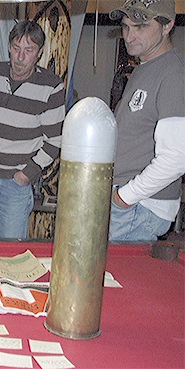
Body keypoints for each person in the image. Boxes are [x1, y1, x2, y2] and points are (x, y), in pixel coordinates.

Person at [0, 20, 65, 239]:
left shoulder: (51, 86)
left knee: (11, 251)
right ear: (9, 46)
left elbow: (55, 140)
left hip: (15, 184)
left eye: (28, 50)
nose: (20, 57)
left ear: (39, 53)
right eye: (16, 48)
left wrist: (27, 174)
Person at [108, 0, 185, 241]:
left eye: (140, 27)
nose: (129, 36)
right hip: (132, 203)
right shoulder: (145, 66)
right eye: (125, 27)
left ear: (168, 25)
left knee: (113, 276)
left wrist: (124, 196)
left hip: (140, 207)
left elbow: (176, 157)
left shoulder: (173, 74)